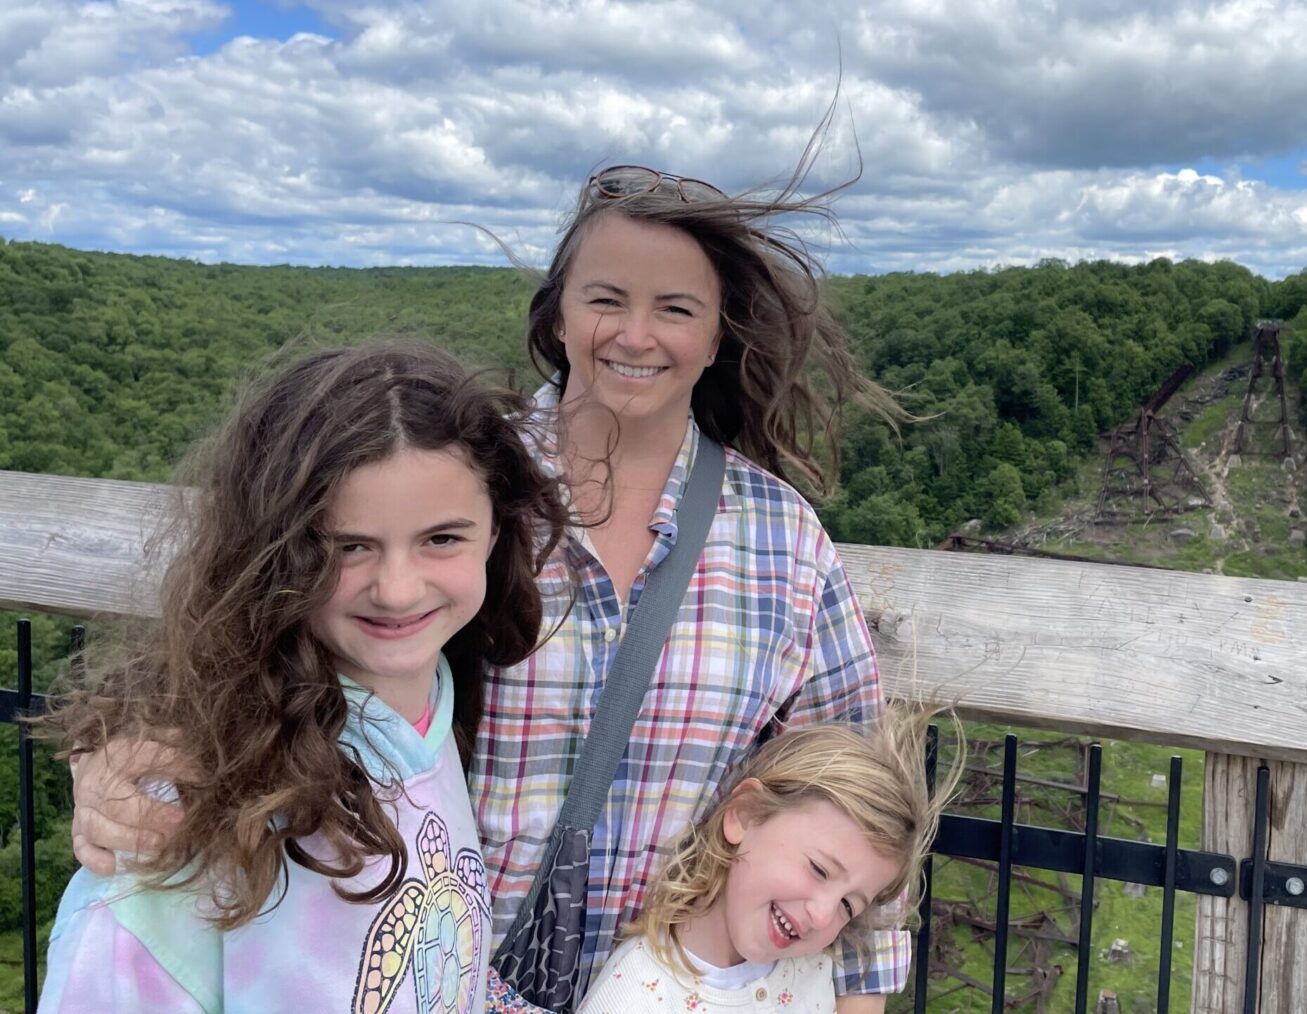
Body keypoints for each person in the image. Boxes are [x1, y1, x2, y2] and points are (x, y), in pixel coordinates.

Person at [71, 153, 907, 1012]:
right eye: (606, 298)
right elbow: (262, 638)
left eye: (676, 309)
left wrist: (857, 999)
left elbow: (860, 808)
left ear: (720, 332)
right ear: (558, 312)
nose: (635, 334)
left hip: (656, 989)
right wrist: (130, 763)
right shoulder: (464, 486)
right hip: (423, 975)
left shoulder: (783, 544)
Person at [42, 341, 568, 1012]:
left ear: (495, 535)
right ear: (272, 555)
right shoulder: (189, 802)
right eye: (348, 547)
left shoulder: (432, 697)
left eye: (442, 539)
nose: (399, 591)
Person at [576, 711, 951, 1014]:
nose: (822, 916)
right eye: (819, 869)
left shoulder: (815, 972)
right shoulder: (635, 992)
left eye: (847, 905)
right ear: (745, 813)